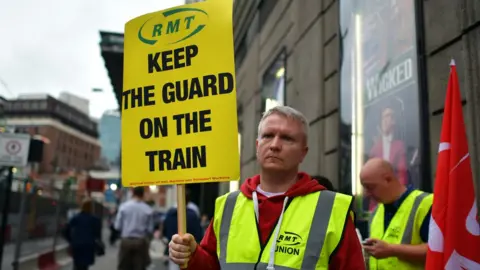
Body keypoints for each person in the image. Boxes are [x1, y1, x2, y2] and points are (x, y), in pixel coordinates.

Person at [168, 106, 365, 269]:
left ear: (303, 153)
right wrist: (193, 253)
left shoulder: (331, 210)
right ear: (257, 145)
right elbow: (211, 265)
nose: (275, 145)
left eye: (287, 138)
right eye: (268, 136)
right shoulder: (228, 205)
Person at [359, 158, 432, 269]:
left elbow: (439, 250)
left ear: (388, 179)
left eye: (370, 187)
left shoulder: (425, 204)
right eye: (364, 188)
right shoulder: (375, 213)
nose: (367, 193)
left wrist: (392, 250)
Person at [163, 189, 204, 270]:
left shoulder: (170, 214)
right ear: (189, 200)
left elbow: (165, 230)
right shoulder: (193, 215)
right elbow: (198, 233)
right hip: (189, 251)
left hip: (173, 249)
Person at [115, 187, 154, 270]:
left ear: (132, 193)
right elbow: (150, 229)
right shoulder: (148, 209)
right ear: (142, 194)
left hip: (126, 240)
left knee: (124, 266)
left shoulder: (124, 207)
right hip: (140, 241)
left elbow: (117, 226)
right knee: (139, 266)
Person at [63, 199, 102, 270]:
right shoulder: (95, 220)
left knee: (77, 264)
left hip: (77, 246)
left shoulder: (76, 218)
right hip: (89, 246)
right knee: (85, 266)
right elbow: (98, 235)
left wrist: (71, 240)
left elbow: (65, 230)